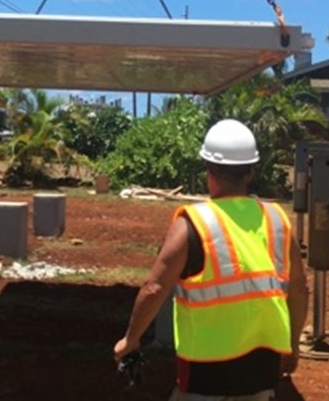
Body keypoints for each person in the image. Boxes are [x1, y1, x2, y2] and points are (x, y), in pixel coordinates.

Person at [114, 119, 310, 400]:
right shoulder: (277, 220)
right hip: (263, 362)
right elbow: (299, 290)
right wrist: (292, 345)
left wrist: (129, 341)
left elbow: (154, 288)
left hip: (205, 367)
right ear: (251, 172)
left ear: (209, 171)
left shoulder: (194, 223)